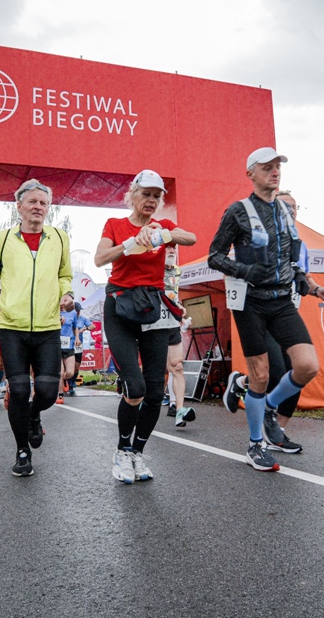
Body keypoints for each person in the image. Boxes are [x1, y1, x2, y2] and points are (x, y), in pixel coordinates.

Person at [209, 148, 324, 472]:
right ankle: (255, 445)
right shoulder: (238, 211)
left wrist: (312, 287)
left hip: (281, 301)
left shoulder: (284, 211)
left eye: (278, 166)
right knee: (261, 375)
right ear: (251, 174)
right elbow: (215, 256)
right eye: (267, 167)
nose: (275, 172)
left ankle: (268, 406)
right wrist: (244, 270)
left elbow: (291, 260)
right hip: (250, 301)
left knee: (307, 366)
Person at [0, 179, 74, 477]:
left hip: (48, 328)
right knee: (20, 389)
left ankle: (34, 415)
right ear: (19, 207)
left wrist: (67, 294)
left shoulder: (60, 237)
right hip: (12, 328)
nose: (38, 207)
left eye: (43, 203)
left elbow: (65, 275)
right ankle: (22, 450)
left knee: (48, 392)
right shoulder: (2, 240)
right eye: (32, 202)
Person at [95, 169, 196, 483]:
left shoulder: (162, 225)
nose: (151, 200)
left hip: (153, 306)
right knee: (135, 388)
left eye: (157, 196)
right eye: (146, 194)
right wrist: (129, 243)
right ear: (132, 195)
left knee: (154, 391)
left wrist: (161, 234)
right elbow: (100, 259)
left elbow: (190, 238)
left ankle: (137, 453)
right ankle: (122, 451)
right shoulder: (115, 224)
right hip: (120, 307)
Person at [163, 246, 196, 428]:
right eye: (167, 247)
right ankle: (140, 405)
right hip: (153, 325)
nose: (171, 250)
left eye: (174, 247)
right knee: (153, 371)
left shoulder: (177, 270)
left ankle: (179, 410)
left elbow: (173, 294)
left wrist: (179, 308)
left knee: (177, 367)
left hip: (172, 323)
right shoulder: (152, 269)